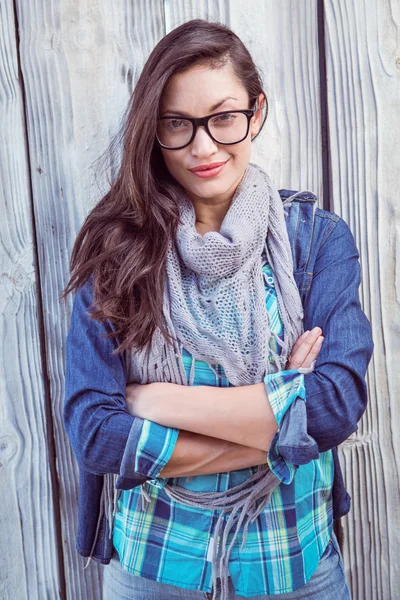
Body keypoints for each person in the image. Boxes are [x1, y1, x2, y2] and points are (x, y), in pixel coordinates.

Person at [62, 19, 373, 600]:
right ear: (152, 132)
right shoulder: (117, 250)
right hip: (155, 568)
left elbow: (335, 406)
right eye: (177, 124)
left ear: (256, 113)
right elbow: (96, 434)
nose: (202, 147)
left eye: (223, 117)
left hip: (290, 564)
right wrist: (280, 425)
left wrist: (155, 402)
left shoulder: (316, 242)